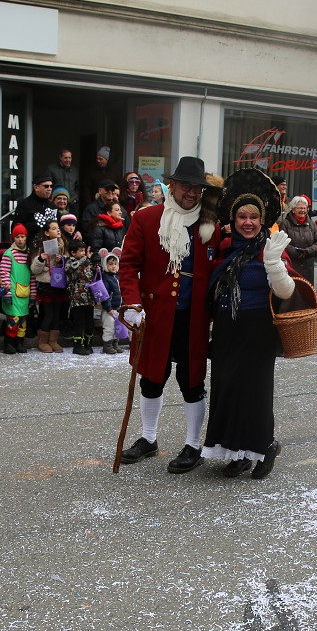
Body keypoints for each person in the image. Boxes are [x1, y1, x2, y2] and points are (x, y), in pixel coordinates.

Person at [117, 155, 220, 473]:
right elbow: (128, 265)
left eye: (197, 187)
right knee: (152, 377)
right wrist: (132, 304)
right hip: (155, 315)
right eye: (186, 185)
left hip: (194, 318)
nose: (191, 192)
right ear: (171, 185)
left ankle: (192, 445)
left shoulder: (210, 224)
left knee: (191, 381)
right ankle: (149, 439)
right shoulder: (146, 219)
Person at [201, 168, 293, 478]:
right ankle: (236, 452)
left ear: (263, 218)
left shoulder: (273, 247)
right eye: (242, 216)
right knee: (227, 390)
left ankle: (266, 445)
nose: (248, 222)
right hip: (227, 331)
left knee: (255, 393)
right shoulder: (227, 248)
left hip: (259, 331)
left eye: (254, 216)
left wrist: (273, 263)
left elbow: (287, 291)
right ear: (234, 220)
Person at [30, 219, 68, 353]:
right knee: (48, 314)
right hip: (46, 284)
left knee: (57, 313)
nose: (58, 230)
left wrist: (61, 260)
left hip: (58, 284)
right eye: (53, 228)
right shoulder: (40, 247)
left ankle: (53, 340)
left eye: (58, 228)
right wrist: (41, 259)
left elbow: (68, 265)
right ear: (46, 232)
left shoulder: (63, 245)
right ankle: (43, 341)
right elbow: (34, 270)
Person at [0, 223, 34, 354]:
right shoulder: (9, 254)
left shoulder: (29, 254)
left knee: (23, 321)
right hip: (12, 293)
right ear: (13, 238)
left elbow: (33, 277)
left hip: (25, 293)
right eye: (17, 236)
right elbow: (4, 273)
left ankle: (20, 342)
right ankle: (9, 343)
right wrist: (6, 293)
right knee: (13, 320)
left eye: (22, 236)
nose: (20, 239)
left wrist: (33, 296)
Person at [64, 238, 98, 355]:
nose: (83, 253)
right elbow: (75, 272)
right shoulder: (70, 262)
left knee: (89, 323)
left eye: (84, 250)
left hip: (89, 297)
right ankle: (78, 345)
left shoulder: (87, 261)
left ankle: (88, 344)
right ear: (73, 252)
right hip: (77, 299)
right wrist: (86, 259)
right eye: (80, 251)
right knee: (79, 323)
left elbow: (90, 274)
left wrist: (96, 268)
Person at [279, 195, 317, 281]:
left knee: (307, 291)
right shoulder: (285, 224)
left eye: (304, 208)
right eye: (300, 208)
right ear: (293, 209)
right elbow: (282, 243)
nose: (303, 210)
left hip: (308, 265)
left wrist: (308, 251)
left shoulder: (312, 224)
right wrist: (297, 253)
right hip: (291, 264)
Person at [14, 175, 58, 244]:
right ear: (36, 187)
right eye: (46, 186)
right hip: (31, 245)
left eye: (51, 186)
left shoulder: (52, 206)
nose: (49, 189)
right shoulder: (24, 204)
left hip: (51, 245)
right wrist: (38, 225)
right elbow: (17, 228)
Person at [97, 248, 123, 354]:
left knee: (117, 326)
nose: (113, 266)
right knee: (109, 327)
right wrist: (108, 308)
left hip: (118, 307)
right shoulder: (105, 278)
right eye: (110, 264)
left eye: (115, 264)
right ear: (105, 265)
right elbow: (104, 295)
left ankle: (115, 344)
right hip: (109, 309)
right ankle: (107, 345)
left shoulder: (117, 277)